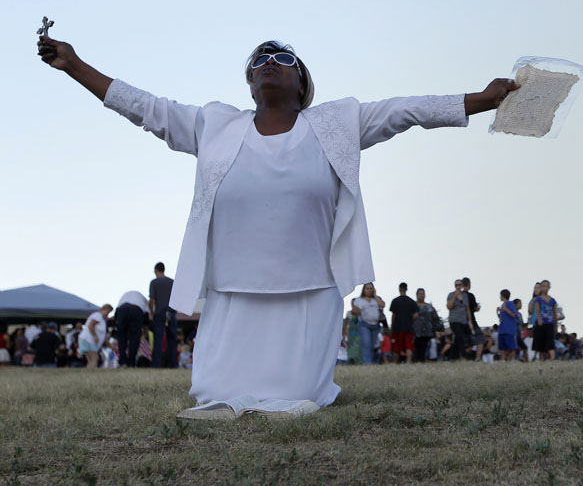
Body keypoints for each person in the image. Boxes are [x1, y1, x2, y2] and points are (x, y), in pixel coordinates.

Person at [38, 35, 516, 410]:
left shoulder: (337, 123)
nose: (268, 59)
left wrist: (481, 99)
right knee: (213, 393)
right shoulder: (214, 125)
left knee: (299, 397)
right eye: (259, 57)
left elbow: (408, 110)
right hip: (232, 288)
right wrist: (75, 66)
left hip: (309, 287)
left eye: (282, 56)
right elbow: (146, 108)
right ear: (249, 82)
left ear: (303, 81)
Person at [149, 263, 177, 369]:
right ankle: (172, 364)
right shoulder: (172, 282)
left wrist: (151, 312)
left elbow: (152, 299)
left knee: (158, 340)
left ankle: (156, 364)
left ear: (156, 270)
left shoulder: (154, 282)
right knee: (172, 339)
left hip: (160, 313)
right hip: (171, 312)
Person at [351, 283, 384, 365]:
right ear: (364, 290)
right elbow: (353, 311)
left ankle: (372, 362)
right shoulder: (359, 300)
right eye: (367, 288)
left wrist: (375, 295)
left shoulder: (376, 299)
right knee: (366, 343)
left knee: (372, 345)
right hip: (364, 324)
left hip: (375, 325)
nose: (369, 290)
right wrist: (358, 311)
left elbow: (382, 305)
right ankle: (367, 363)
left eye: (371, 288)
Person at [115, 290, 149, 367]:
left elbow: (116, 313)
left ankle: (122, 361)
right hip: (136, 310)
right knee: (135, 338)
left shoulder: (125, 295)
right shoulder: (144, 300)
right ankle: (131, 362)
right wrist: (145, 331)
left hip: (122, 309)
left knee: (122, 337)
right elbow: (146, 319)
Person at [389, 282, 419, 364]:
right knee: (409, 346)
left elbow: (393, 315)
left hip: (397, 328)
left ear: (399, 289)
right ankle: (408, 362)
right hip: (409, 328)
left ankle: (395, 363)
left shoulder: (395, 301)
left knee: (396, 347)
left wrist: (392, 326)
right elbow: (416, 315)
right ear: (407, 289)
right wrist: (410, 319)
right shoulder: (411, 301)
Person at [446, 279, 472, 360]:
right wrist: (454, 297)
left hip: (463, 321)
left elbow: (467, 309)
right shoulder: (451, 294)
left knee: (458, 338)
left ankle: (452, 357)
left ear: (462, 285)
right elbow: (448, 306)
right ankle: (464, 356)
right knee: (460, 336)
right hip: (454, 320)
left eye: (460, 285)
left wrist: (470, 321)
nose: (458, 286)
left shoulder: (465, 295)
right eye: (456, 285)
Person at [532, 280, 558, 361]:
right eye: (543, 286)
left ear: (549, 287)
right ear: (541, 288)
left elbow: (554, 313)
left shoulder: (552, 300)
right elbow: (537, 310)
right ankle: (541, 359)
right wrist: (539, 319)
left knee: (550, 341)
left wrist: (556, 325)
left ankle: (552, 359)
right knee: (540, 342)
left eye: (547, 286)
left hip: (550, 323)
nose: (545, 288)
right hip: (541, 323)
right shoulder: (538, 299)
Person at [460, 277, 484, 361]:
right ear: (469, 285)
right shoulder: (470, 295)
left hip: (460, 322)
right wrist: (478, 308)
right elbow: (474, 308)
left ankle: (464, 358)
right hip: (471, 321)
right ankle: (477, 357)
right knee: (480, 338)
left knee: (464, 341)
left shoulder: (459, 295)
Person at [412, 288, 438, 363]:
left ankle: (423, 360)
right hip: (417, 330)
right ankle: (417, 361)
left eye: (423, 294)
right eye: (420, 294)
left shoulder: (428, 306)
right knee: (417, 346)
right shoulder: (414, 305)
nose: (422, 295)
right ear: (417, 295)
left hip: (427, 330)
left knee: (425, 346)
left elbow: (435, 317)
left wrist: (434, 310)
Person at [496, 289, 518, 362]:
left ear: (502, 296)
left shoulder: (510, 304)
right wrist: (498, 313)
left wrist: (505, 309)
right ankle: (503, 360)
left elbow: (513, 314)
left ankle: (512, 359)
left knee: (511, 347)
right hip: (502, 330)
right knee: (502, 347)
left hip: (509, 330)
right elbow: (502, 318)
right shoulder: (502, 305)